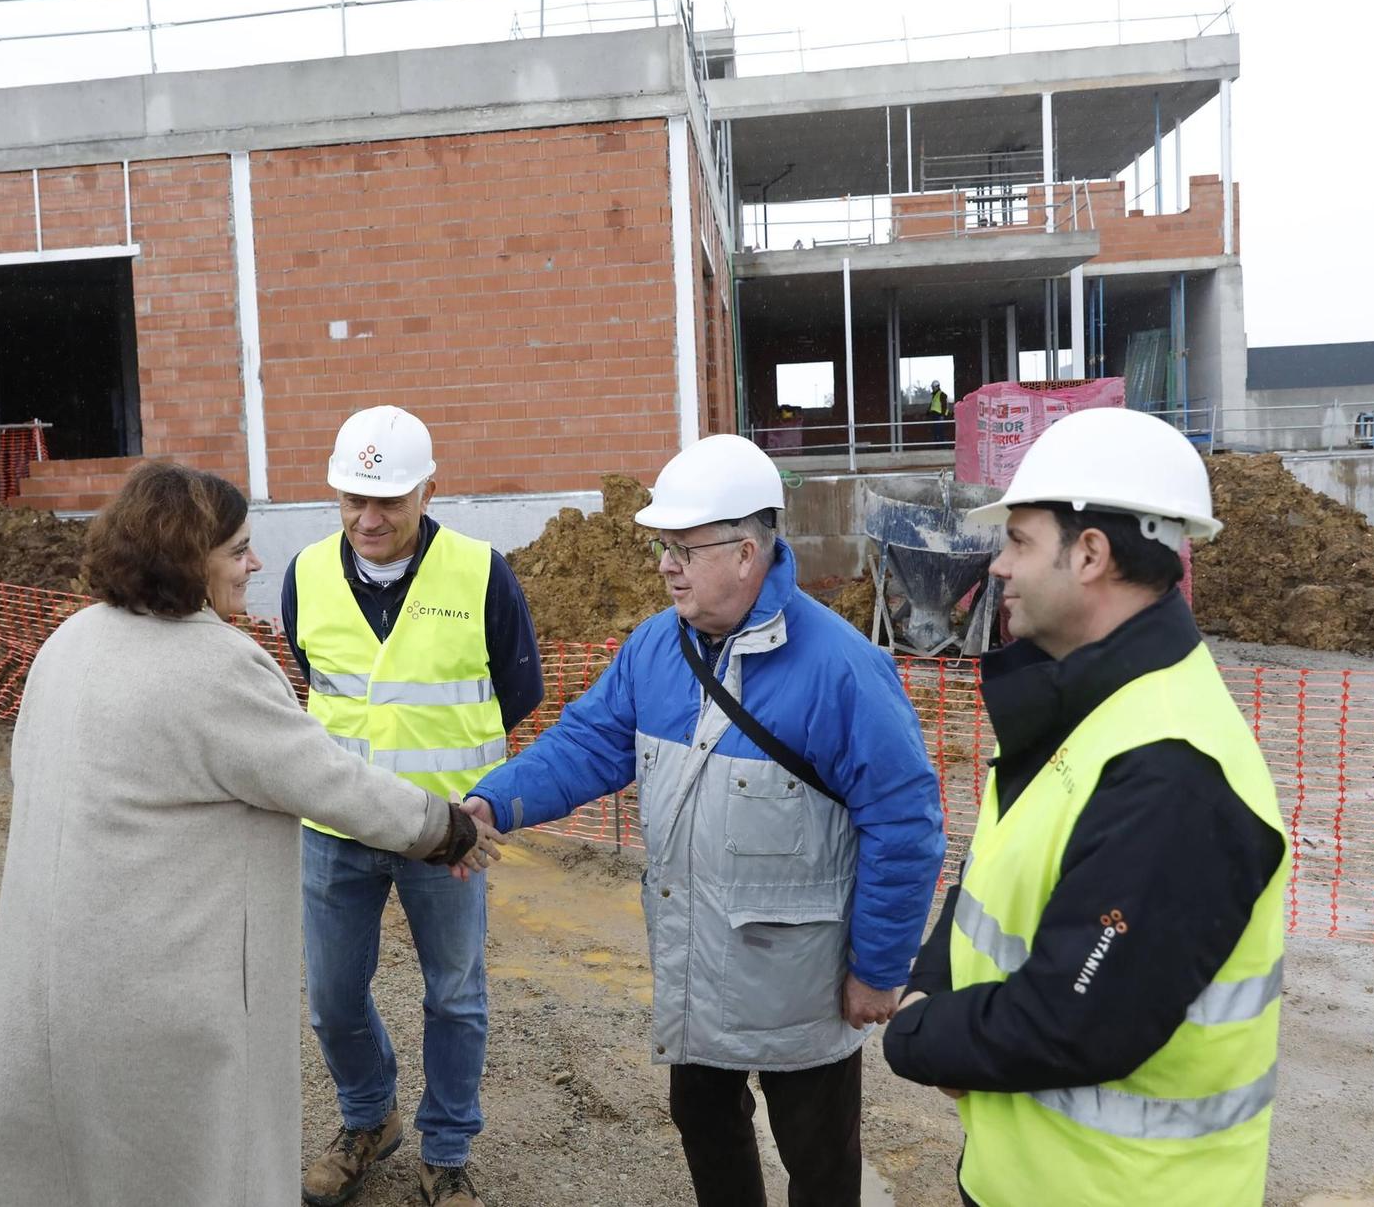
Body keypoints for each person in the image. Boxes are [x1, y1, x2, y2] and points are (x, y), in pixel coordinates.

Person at [0, 461, 497, 1207]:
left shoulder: (67, 644)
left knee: (73, 1168)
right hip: (159, 987)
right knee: (179, 1168)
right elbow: (325, 778)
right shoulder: (214, 665)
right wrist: (444, 827)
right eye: (237, 549)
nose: (256, 563)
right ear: (186, 558)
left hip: (58, 975)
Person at [462, 433, 945, 1207]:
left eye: (682, 547)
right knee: (703, 1119)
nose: (664, 564)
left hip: (804, 985)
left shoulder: (843, 668)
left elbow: (906, 822)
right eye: (664, 546)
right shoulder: (657, 648)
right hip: (700, 966)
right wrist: (495, 800)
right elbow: (588, 742)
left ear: (747, 552)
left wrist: (879, 965)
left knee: (818, 1155)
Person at [882, 407, 1288, 1207]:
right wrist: (933, 976)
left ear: (1092, 554)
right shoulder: (1081, 700)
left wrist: (918, 1034)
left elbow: (1075, 1019)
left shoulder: (1175, 770)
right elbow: (995, 869)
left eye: (1019, 541)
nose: (998, 566)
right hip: (1025, 1178)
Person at [281, 406, 543, 1207]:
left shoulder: (482, 573)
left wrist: (462, 802)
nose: (369, 518)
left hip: (447, 832)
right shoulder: (305, 574)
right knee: (331, 996)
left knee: (455, 993)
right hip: (338, 828)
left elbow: (519, 689)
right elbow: (311, 676)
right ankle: (369, 1118)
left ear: (431, 489)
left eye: (389, 499)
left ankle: (448, 1148)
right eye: (353, 498)